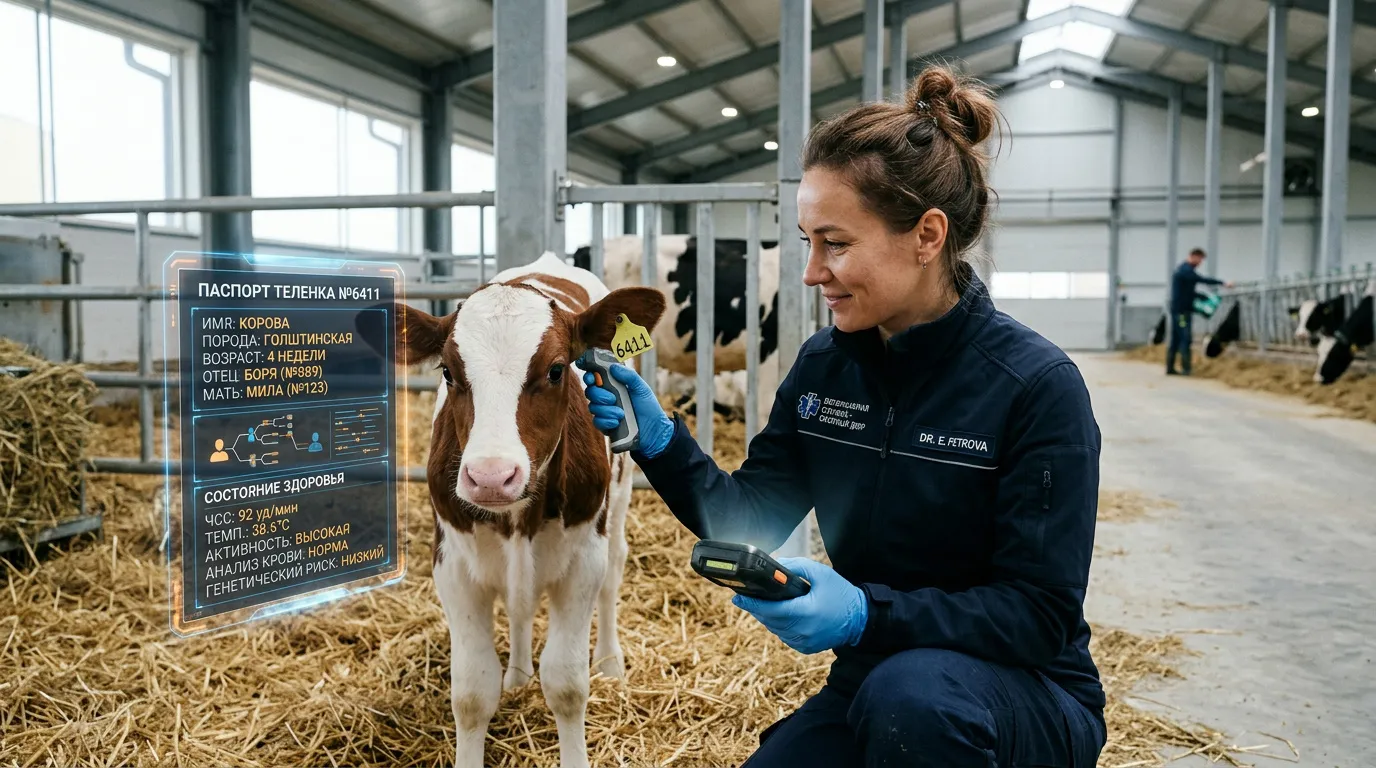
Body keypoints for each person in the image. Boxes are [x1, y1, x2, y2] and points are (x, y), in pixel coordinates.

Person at [583, 66, 1105, 767]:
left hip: (1025, 693)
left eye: (836, 243)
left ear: (927, 236)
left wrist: (865, 611)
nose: (810, 271)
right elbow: (752, 515)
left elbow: (1039, 615)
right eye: (807, 241)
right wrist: (659, 440)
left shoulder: (1036, 387)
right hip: (877, 678)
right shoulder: (827, 366)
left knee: (915, 701)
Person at [1168, 248, 1232, 375]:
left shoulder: (1183, 270)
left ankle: (1170, 368)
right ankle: (1186, 368)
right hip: (1182, 313)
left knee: (1176, 339)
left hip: (1179, 310)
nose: (1200, 263)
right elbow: (1202, 280)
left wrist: (1203, 297)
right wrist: (1222, 283)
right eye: (1200, 259)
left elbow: (1189, 293)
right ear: (1193, 256)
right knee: (1185, 338)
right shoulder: (1186, 271)